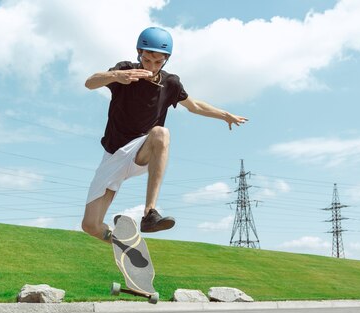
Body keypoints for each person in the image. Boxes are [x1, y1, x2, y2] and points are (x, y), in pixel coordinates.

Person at [81, 27, 247, 243]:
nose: (151, 67)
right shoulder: (125, 70)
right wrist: (117, 76)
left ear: (166, 60)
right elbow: (90, 82)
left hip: (142, 149)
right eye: (147, 60)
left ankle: (150, 213)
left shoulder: (170, 83)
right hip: (113, 155)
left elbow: (195, 105)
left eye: (158, 62)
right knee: (90, 225)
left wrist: (225, 115)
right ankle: (121, 243)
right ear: (139, 53)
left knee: (161, 133)